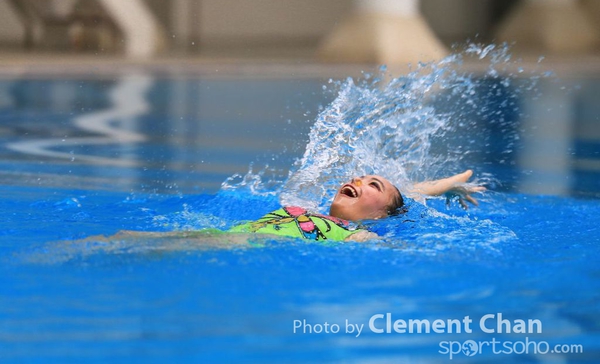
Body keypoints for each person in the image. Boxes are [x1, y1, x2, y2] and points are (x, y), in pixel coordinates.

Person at [112, 169, 485, 244]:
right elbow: (410, 192)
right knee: (125, 238)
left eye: (373, 185)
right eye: (360, 177)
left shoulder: (359, 235)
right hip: (224, 236)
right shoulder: (308, 206)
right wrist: (450, 184)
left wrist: (452, 187)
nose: (357, 180)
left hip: (244, 249)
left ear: (379, 214)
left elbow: (405, 199)